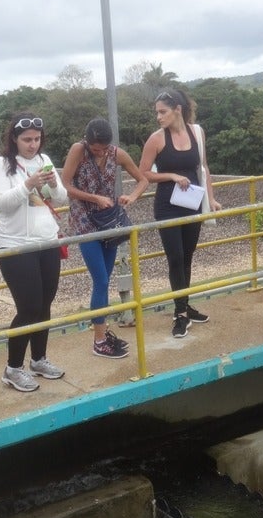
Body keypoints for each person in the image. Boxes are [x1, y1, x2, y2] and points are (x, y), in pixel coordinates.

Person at [0, 113, 69, 391]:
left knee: (45, 304)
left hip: (47, 241)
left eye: (36, 139)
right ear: (14, 139)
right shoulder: (2, 165)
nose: (33, 145)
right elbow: (1, 204)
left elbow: (62, 198)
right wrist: (28, 184)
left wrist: (54, 184)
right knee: (28, 307)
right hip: (15, 244)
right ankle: (12, 368)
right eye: (27, 140)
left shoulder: (44, 160)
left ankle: (39, 359)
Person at [138, 88, 221, 338]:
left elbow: (203, 167)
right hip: (167, 206)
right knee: (175, 259)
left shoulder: (197, 132)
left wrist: (212, 198)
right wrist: (171, 176)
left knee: (187, 257)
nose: (158, 117)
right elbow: (144, 173)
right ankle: (180, 314)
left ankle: (183, 305)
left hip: (192, 202)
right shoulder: (157, 139)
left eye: (163, 112)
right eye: (157, 113)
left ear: (178, 110)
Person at [63, 118, 148, 359]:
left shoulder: (117, 153)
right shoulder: (78, 150)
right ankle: (99, 340)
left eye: (102, 149)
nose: (99, 152)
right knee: (100, 280)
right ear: (87, 142)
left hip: (110, 222)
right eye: (95, 148)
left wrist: (131, 196)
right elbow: (66, 184)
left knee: (106, 279)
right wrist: (94, 198)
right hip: (85, 223)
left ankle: (103, 331)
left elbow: (143, 179)